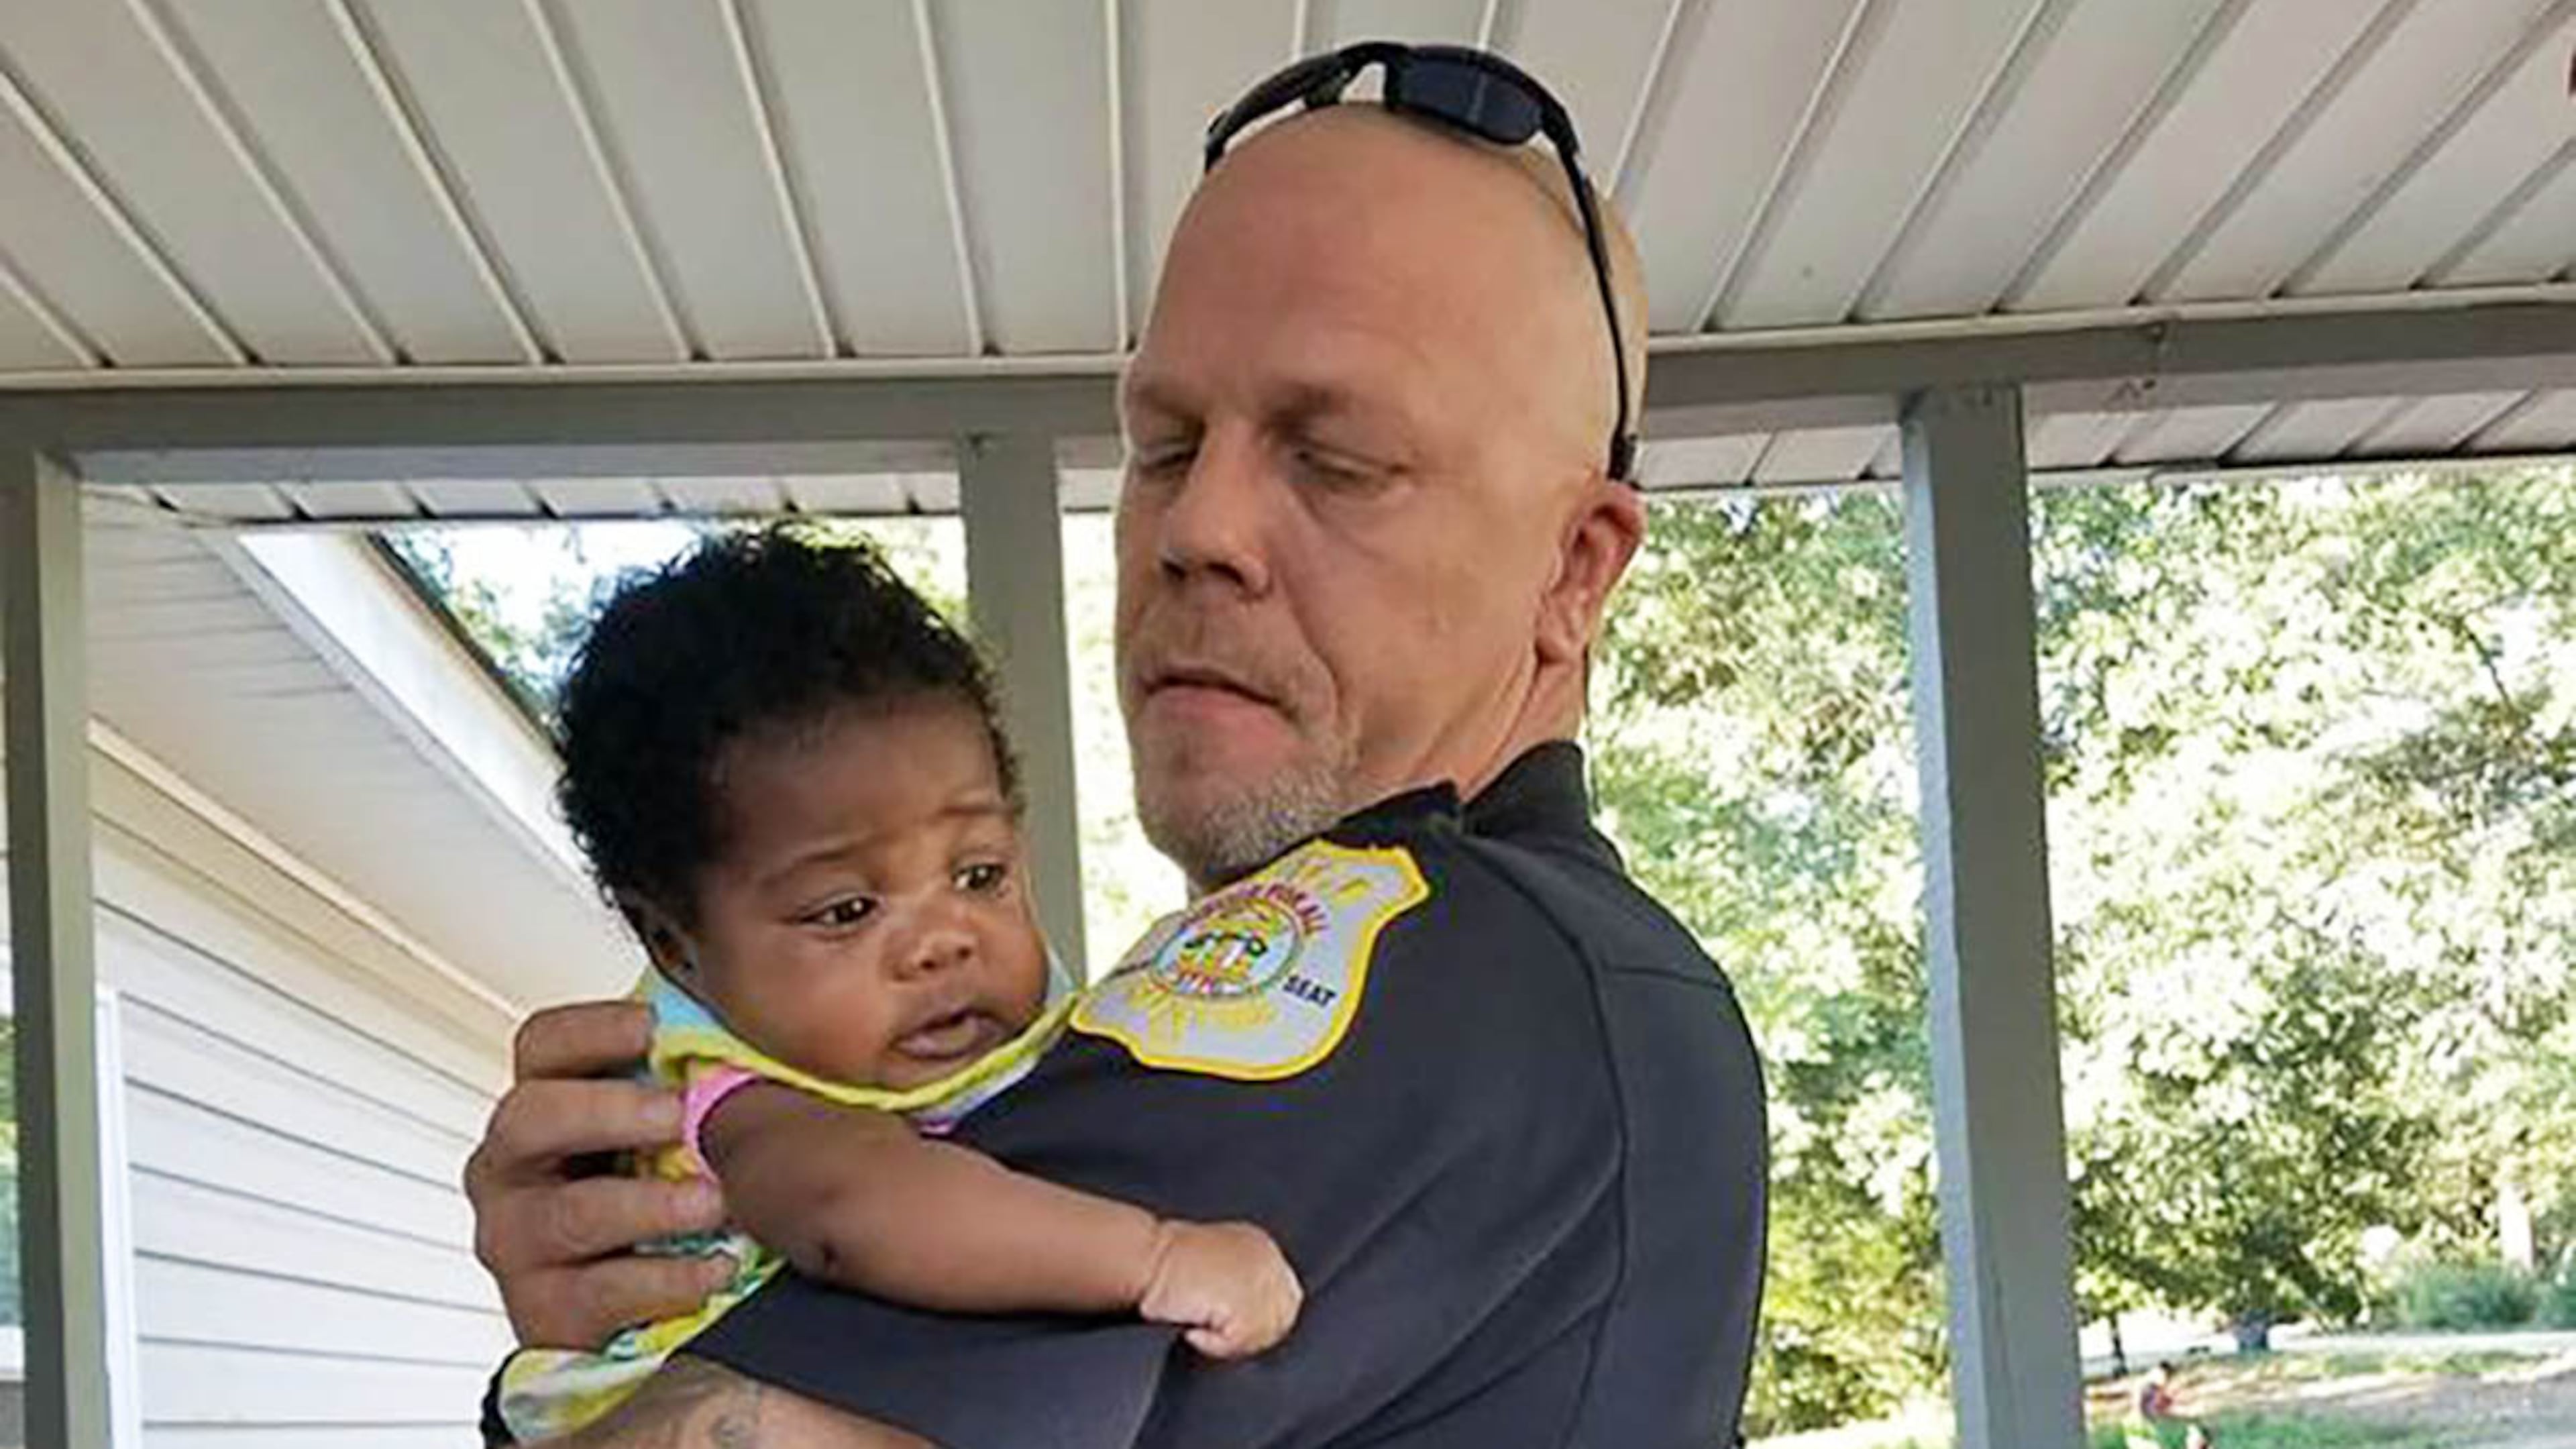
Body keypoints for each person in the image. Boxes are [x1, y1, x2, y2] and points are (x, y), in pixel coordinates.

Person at [466, 42, 1766, 1448]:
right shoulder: (1599, 982)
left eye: (1334, 459)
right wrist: (643, 1284)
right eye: (1164, 446)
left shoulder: (1431, 959)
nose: (1195, 531)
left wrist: (578, 1385)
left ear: (1575, 569)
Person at [490, 531, 1301, 1441]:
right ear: (677, 948)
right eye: (845, 911)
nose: (943, 942)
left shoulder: (1012, 1028)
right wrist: (1155, 1256)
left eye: (979, 874)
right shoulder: (733, 1106)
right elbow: (862, 1212)